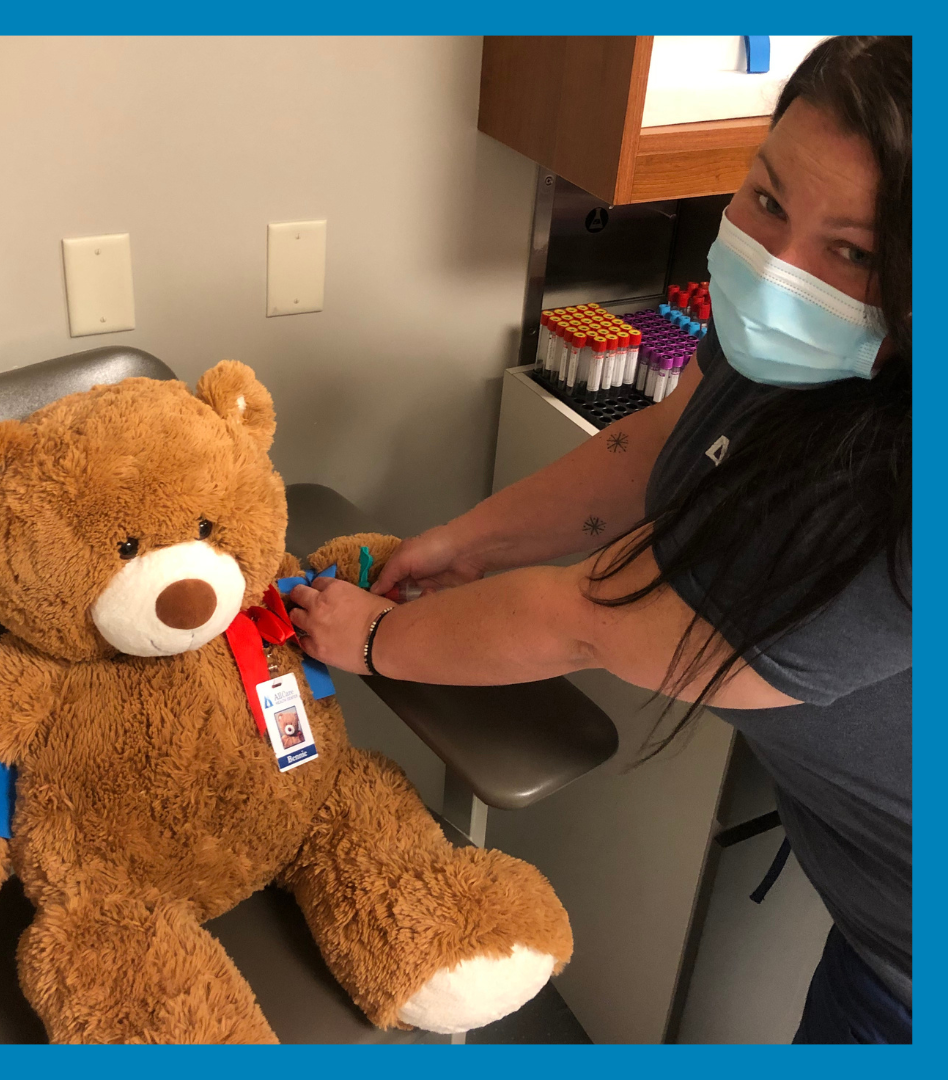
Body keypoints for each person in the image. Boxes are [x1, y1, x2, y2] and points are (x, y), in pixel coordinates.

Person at [288, 36, 911, 1044]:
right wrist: (467, 541)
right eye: (764, 198)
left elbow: (581, 619)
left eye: (855, 252)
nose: (776, 269)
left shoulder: (894, 509)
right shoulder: (796, 354)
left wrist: (366, 643)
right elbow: (649, 445)